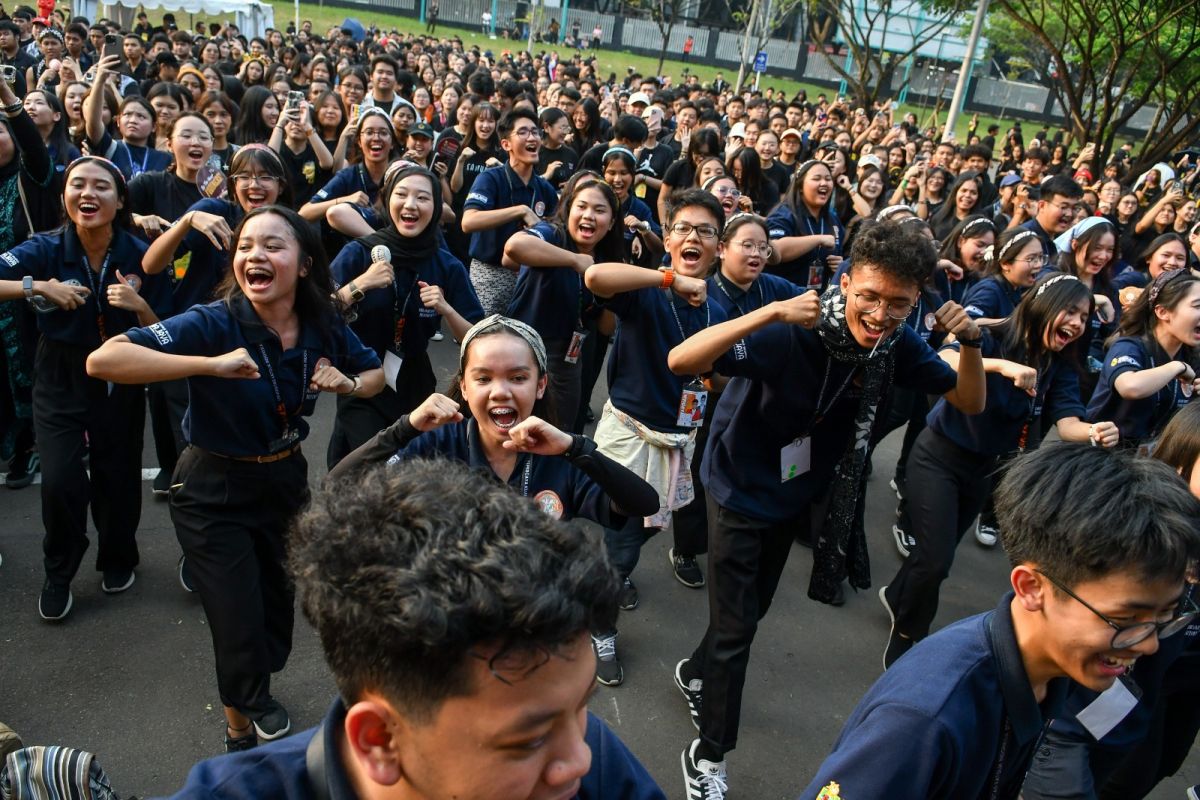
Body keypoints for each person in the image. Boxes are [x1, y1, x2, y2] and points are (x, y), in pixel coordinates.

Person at [666, 220, 985, 800]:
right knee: (738, 628)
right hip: (738, 485)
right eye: (869, 296)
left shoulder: (898, 343)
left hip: (796, 490)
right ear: (846, 280)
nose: (880, 314)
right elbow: (682, 359)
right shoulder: (794, 326)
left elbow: (968, 398)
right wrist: (770, 312)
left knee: (751, 608)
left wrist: (971, 344)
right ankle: (708, 753)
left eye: (899, 303)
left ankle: (694, 670)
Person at [166, 458, 666, 799]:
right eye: (526, 743)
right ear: (379, 740)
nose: (579, 760)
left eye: (582, 707)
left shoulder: (584, 746)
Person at [86, 205, 384, 751]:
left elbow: (373, 373)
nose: (255, 256)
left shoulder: (323, 322)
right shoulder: (212, 321)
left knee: (275, 622)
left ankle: (255, 689)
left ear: (304, 263)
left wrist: (348, 382)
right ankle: (238, 728)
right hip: (211, 490)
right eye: (246, 245)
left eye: (273, 245)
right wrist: (208, 365)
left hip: (284, 483)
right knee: (236, 622)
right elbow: (105, 360)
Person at [801, 443, 1200, 800]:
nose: (1148, 644)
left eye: (1166, 614)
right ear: (1031, 587)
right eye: (1125, 619)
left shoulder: (1049, 669)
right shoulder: (923, 723)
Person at [880, 272, 1121, 668]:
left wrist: (1094, 430)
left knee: (934, 556)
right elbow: (944, 359)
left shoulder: (1057, 365)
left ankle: (897, 595)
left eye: (1084, 317)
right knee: (936, 560)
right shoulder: (993, 332)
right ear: (1044, 304)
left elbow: (1067, 423)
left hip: (984, 472)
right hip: (937, 456)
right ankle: (909, 633)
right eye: (1071, 311)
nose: (1078, 324)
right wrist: (1000, 366)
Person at [0, 156, 170, 620]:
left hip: (122, 370)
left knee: (118, 476)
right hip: (59, 373)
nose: (88, 194)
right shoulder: (44, 247)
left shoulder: (140, 252)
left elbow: (167, 331)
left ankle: (118, 558)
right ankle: (59, 572)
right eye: (78, 185)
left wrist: (139, 306)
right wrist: (37, 287)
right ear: (64, 197)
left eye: (101, 187)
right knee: (58, 479)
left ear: (119, 202)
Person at [581, 189, 731, 686]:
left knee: (644, 530)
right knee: (621, 542)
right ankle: (597, 627)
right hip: (631, 439)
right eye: (683, 228)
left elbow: (725, 372)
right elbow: (595, 276)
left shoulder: (722, 303)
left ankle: (609, 575)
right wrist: (668, 276)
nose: (693, 238)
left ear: (719, 247)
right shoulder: (648, 288)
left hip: (679, 442)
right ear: (666, 239)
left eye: (705, 232)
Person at [328, 165, 482, 467]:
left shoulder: (447, 265)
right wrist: (361, 284)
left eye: (422, 198)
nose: (411, 204)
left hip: (414, 379)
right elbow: (316, 313)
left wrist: (447, 310)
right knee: (370, 465)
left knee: (410, 465)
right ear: (388, 201)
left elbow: (477, 337)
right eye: (402, 195)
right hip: (361, 374)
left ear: (436, 207)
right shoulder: (361, 253)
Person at [504, 175, 623, 427]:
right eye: (581, 206)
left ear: (611, 222)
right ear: (569, 210)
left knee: (561, 428)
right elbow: (514, 247)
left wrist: (613, 291)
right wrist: (573, 259)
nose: (589, 215)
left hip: (568, 355)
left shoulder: (608, 260)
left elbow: (605, 328)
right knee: (512, 425)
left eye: (599, 210)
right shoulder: (551, 233)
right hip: (522, 347)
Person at [1087, 268, 1200, 449]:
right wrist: (1177, 367)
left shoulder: (1192, 354)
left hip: (1153, 465)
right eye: (1197, 306)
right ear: (1163, 312)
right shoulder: (1129, 346)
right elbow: (1130, 386)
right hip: (1104, 460)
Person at [461, 108, 557, 315]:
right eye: (522, 132)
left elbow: (556, 225)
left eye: (535, 132)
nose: (532, 137)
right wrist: (520, 211)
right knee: (485, 340)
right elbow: (468, 222)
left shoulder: (543, 187)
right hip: (489, 274)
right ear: (506, 144)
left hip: (529, 274)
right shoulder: (490, 178)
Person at [765, 159, 843, 291]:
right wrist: (818, 239)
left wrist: (839, 264)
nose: (824, 183)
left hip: (817, 298)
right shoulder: (783, 215)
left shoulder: (833, 219)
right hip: (782, 298)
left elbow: (841, 254)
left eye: (828, 178)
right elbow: (773, 250)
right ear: (800, 186)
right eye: (817, 178)